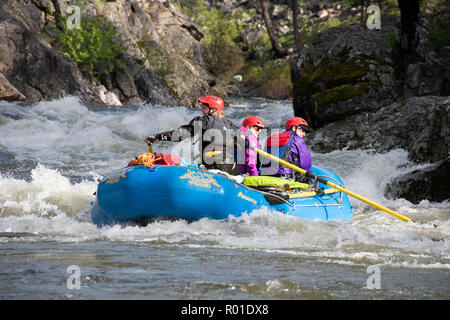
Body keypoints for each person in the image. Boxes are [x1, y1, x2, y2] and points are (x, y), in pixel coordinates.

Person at [146, 95, 239, 174]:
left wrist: (158, 136)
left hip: (212, 163)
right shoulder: (229, 124)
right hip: (230, 164)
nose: (202, 110)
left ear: (214, 109)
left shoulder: (203, 121)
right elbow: (245, 142)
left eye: (204, 108)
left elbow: (180, 134)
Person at [261, 117, 311, 182]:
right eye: (302, 130)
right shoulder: (297, 140)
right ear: (294, 128)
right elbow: (305, 164)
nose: (304, 134)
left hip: (264, 174)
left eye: (305, 132)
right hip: (284, 176)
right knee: (308, 177)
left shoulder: (272, 137)